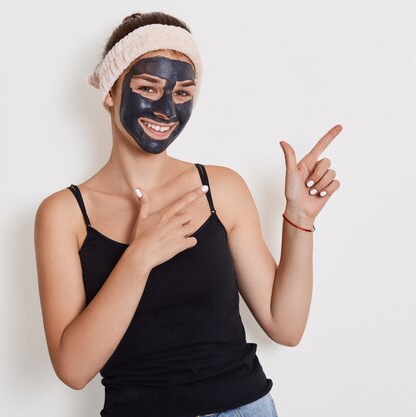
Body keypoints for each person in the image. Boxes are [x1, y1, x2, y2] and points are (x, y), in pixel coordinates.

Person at [34, 11, 342, 417]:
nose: (166, 109)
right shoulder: (64, 214)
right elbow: (73, 369)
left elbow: (285, 327)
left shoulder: (222, 189)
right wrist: (140, 256)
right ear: (110, 91)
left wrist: (299, 219)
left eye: (182, 93)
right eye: (148, 87)